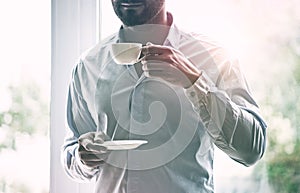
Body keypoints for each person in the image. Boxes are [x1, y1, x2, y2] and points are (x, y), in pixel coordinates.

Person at [61, 0, 267, 192]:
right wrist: (82, 158)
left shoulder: (214, 56)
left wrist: (194, 81)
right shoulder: (88, 65)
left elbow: (251, 150)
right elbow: (71, 152)